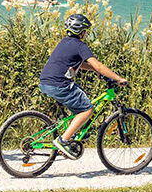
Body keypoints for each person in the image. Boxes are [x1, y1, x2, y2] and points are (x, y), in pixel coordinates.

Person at [38, 13, 129, 158]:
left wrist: (93, 70)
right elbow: (97, 64)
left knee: (79, 95)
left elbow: (85, 64)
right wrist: (118, 78)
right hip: (60, 84)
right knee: (87, 109)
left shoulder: (65, 42)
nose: (86, 34)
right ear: (81, 32)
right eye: (85, 31)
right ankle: (63, 140)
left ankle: (74, 133)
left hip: (46, 82)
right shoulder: (80, 45)